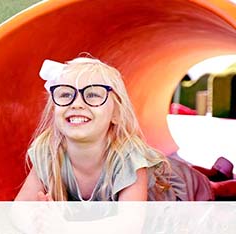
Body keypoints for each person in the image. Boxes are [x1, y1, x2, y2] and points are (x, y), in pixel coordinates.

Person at [14, 55, 235, 202]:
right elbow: (18, 210)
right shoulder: (48, 151)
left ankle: (217, 180)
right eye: (65, 94)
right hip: (160, 171)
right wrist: (37, 219)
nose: (77, 103)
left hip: (175, 191)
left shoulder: (128, 157)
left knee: (208, 188)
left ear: (116, 115)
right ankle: (212, 172)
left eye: (92, 95)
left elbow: (127, 226)